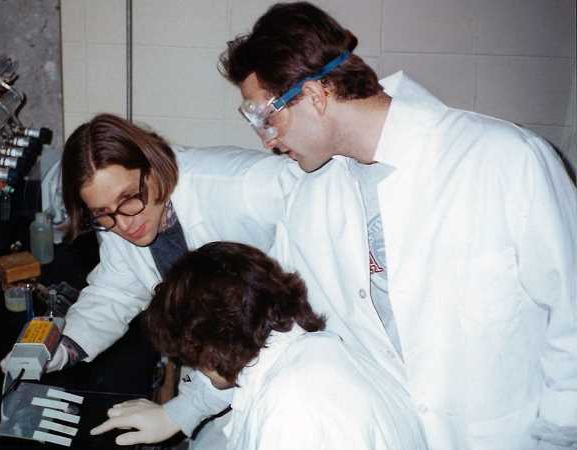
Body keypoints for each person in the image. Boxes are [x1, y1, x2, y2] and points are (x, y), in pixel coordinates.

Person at [218, 2, 577, 449]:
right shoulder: (308, 203)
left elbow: (572, 317)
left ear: (314, 95)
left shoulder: (505, 160)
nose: (268, 141)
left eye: (265, 116)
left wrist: (558, 439)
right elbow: (290, 331)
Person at [32, 113, 302, 446]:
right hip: (229, 376)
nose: (124, 224)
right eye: (102, 214)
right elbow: (118, 288)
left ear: (153, 164)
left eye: (128, 198)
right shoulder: (122, 217)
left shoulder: (247, 187)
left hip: (292, 378)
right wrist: (64, 346)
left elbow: (297, 310)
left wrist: (186, 409)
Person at [91, 242, 429, 449]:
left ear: (209, 350)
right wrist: (174, 414)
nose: (197, 370)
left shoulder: (294, 412)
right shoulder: (311, 352)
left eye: (191, 358)